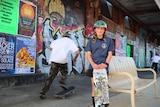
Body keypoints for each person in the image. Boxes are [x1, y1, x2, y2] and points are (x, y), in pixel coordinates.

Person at [85, 20, 115, 107]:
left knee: (103, 87)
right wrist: (93, 64)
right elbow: (88, 55)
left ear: (105, 30)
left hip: (103, 67)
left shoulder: (109, 41)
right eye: (98, 28)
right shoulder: (91, 41)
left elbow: (110, 54)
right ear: (95, 30)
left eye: (102, 29)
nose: (100, 30)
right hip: (93, 67)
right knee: (95, 87)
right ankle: (96, 105)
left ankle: (105, 104)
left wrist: (105, 64)